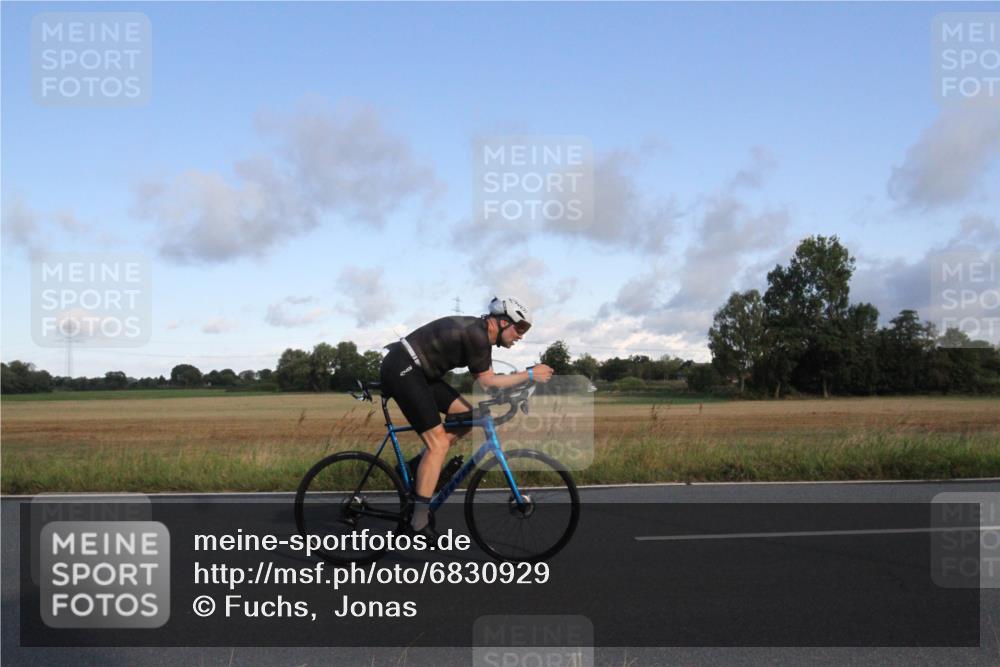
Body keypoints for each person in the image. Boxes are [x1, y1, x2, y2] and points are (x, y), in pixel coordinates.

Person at [379, 296, 554, 534]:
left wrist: (513, 392)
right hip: (403, 368)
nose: (521, 335)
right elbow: (488, 382)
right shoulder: (477, 335)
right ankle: (418, 521)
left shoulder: (481, 336)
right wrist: (529, 375)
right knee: (438, 444)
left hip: (422, 373)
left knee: (466, 418)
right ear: (502, 322)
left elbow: (491, 380)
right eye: (519, 327)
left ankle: (416, 468)